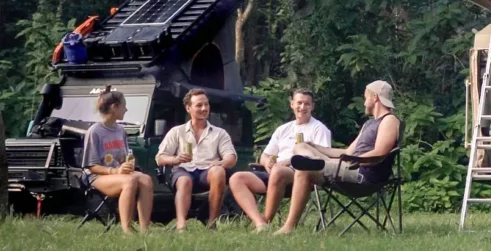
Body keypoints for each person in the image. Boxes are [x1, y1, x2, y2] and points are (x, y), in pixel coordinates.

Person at [274, 80, 401, 235]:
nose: (364, 102)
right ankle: (314, 159)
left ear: (375, 97)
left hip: (362, 173)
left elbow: (380, 152)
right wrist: (315, 147)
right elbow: (347, 152)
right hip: (348, 165)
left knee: (304, 169)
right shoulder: (369, 124)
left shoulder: (389, 120)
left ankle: (288, 228)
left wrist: (353, 161)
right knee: (300, 146)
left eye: (365, 97)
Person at [228, 89, 332, 232]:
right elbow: (265, 155)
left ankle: (267, 219)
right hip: (273, 174)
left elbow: (320, 159)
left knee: (279, 171)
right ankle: (259, 223)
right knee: (236, 178)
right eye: (299, 103)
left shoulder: (319, 129)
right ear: (292, 104)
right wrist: (267, 163)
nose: (302, 107)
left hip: (300, 175)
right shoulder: (283, 129)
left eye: (306, 104)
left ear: (312, 106)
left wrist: (289, 161)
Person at [155, 88, 237, 231]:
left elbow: (231, 157)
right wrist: (176, 159)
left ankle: (212, 223)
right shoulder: (177, 132)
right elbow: (160, 158)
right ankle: (181, 225)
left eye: (206, 104)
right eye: (199, 105)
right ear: (188, 108)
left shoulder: (219, 133)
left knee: (218, 171)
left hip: (207, 172)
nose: (204, 108)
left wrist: (222, 163)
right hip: (183, 170)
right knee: (184, 180)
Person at [82, 86, 155, 234]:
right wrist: (115, 171)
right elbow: (91, 166)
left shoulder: (120, 130)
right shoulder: (95, 131)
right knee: (129, 181)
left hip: (119, 173)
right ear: (115, 107)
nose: (126, 110)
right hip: (98, 177)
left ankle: (144, 230)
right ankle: (126, 229)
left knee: (146, 179)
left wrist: (128, 163)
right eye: (124, 106)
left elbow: (123, 157)